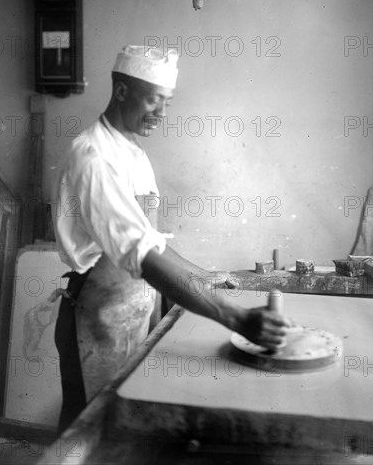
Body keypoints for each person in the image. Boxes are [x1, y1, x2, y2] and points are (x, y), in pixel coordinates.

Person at [52, 45, 289, 433]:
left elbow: (149, 238)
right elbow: (140, 252)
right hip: (96, 314)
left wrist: (204, 278)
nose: (162, 114)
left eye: (167, 102)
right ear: (122, 91)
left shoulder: (130, 150)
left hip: (129, 304)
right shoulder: (94, 158)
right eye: (154, 100)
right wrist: (236, 317)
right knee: (87, 432)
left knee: (120, 427)